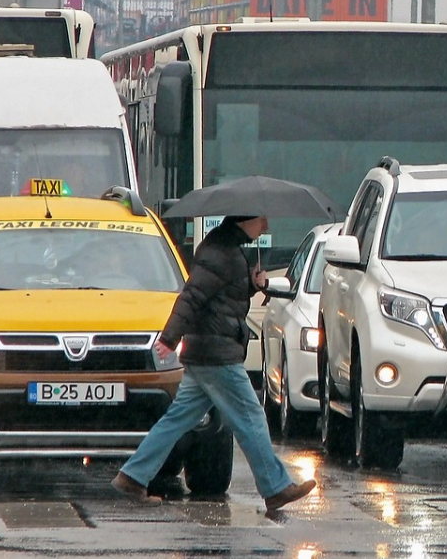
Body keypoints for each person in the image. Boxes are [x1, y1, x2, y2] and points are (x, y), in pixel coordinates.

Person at [111, 215, 317, 511]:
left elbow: (220, 297)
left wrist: (252, 285)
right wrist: (169, 337)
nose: (267, 227)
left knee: (177, 420)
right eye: (262, 220)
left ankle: (132, 476)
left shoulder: (225, 250)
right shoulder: (221, 253)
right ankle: (275, 488)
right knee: (251, 418)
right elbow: (192, 297)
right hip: (216, 354)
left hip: (207, 351)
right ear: (246, 220)